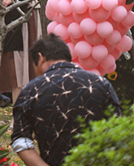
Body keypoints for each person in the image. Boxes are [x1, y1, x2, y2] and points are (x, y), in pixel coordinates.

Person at [11, 34, 121, 166]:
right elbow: (118, 129)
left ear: (40, 58)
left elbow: (21, 140)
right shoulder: (101, 84)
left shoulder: (31, 90)